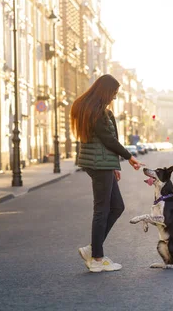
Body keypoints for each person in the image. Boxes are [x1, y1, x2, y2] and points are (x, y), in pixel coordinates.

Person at [70, 74, 143, 273]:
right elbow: (108, 139)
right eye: (114, 93)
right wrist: (129, 157)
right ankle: (96, 258)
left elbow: (104, 141)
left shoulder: (94, 109)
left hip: (102, 163)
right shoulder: (97, 112)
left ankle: (93, 249)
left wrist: (114, 166)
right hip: (98, 164)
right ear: (105, 91)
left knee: (117, 206)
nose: (115, 98)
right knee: (102, 210)